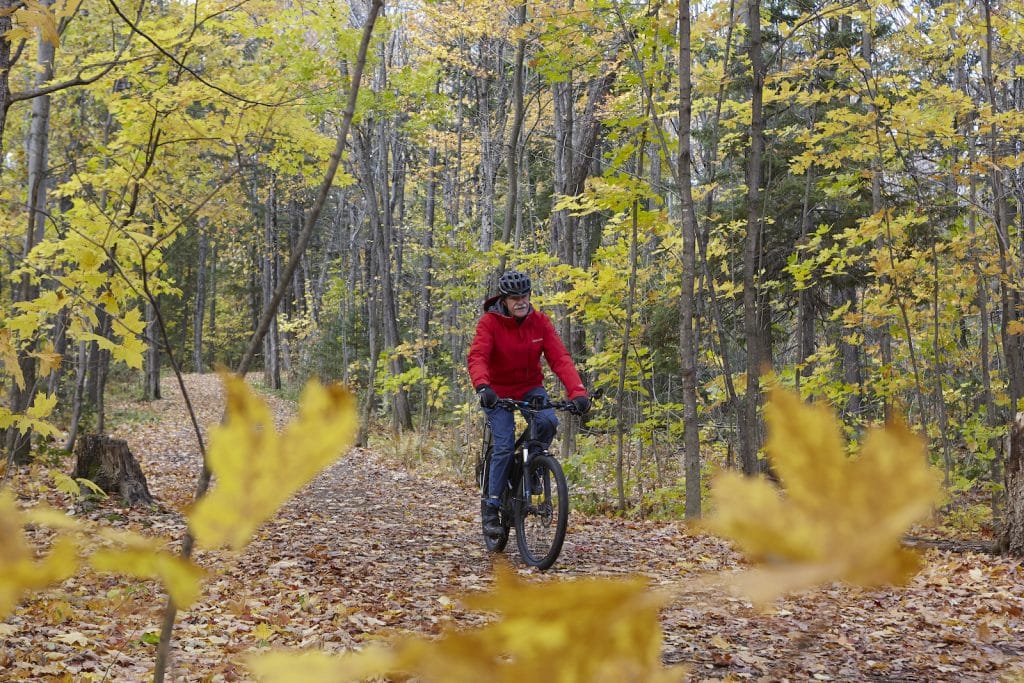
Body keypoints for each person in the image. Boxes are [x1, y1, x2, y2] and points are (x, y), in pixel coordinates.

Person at [467, 269, 591, 538]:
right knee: (503, 443)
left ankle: (532, 468)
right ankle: (491, 506)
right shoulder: (490, 323)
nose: (521, 301)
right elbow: (477, 357)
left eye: (525, 295)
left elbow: (560, 359)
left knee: (548, 421)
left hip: (529, 388)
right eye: (515, 298)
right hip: (496, 391)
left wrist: (578, 392)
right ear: (505, 299)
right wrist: (483, 386)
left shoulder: (540, 322)